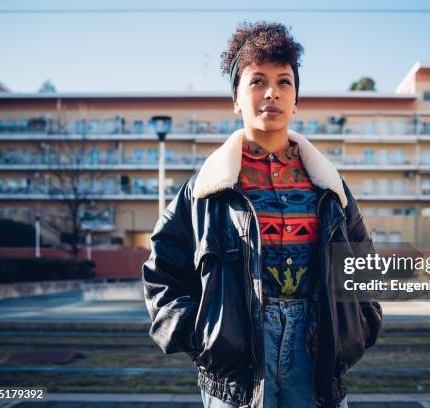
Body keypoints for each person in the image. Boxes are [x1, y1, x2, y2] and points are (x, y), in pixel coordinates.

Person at [142, 21, 382, 408]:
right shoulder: (205, 190)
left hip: (317, 359)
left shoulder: (330, 189)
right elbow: (161, 275)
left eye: (284, 82)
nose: (272, 92)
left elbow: (362, 269)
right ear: (236, 98)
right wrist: (203, 337)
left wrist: (359, 327)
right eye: (257, 81)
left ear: (296, 99)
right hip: (237, 369)